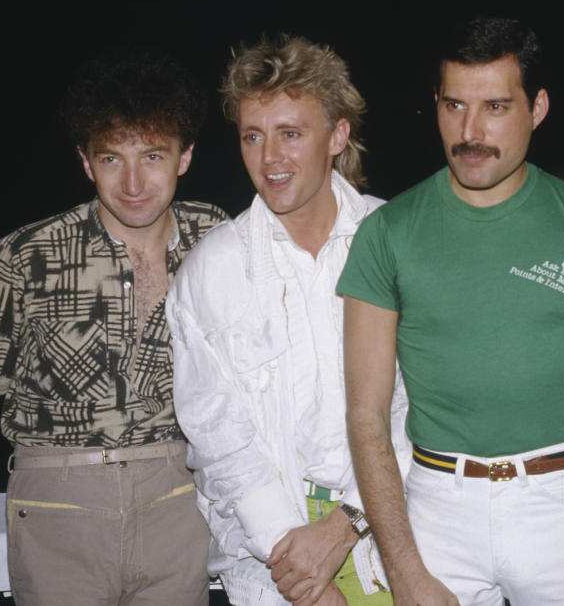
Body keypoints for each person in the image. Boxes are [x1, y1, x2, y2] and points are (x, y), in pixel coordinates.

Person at [337, 17, 564, 606]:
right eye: (454, 105)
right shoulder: (386, 234)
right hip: (437, 507)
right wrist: (404, 569)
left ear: (537, 108)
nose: (470, 131)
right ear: (434, 103)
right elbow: (366, 416)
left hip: (562, 506)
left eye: (495, 106)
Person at [0, 48, 226, 604]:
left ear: (184, 157)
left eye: (153, 156)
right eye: (112, 159)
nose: (134, 181)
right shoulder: (24, 255)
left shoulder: (220, 240)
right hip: (56, 502)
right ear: (86, 162)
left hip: (179, 496)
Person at [166, 35, 410, 606]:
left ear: (338, 135)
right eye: (253, 136)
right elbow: (217, 439)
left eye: (290, 134)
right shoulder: (212, 271)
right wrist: (300, 567)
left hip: (396, 535)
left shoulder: (397, 240)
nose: (269, 158)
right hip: (273, 559)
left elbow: (422, 403)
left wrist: (348, 523)